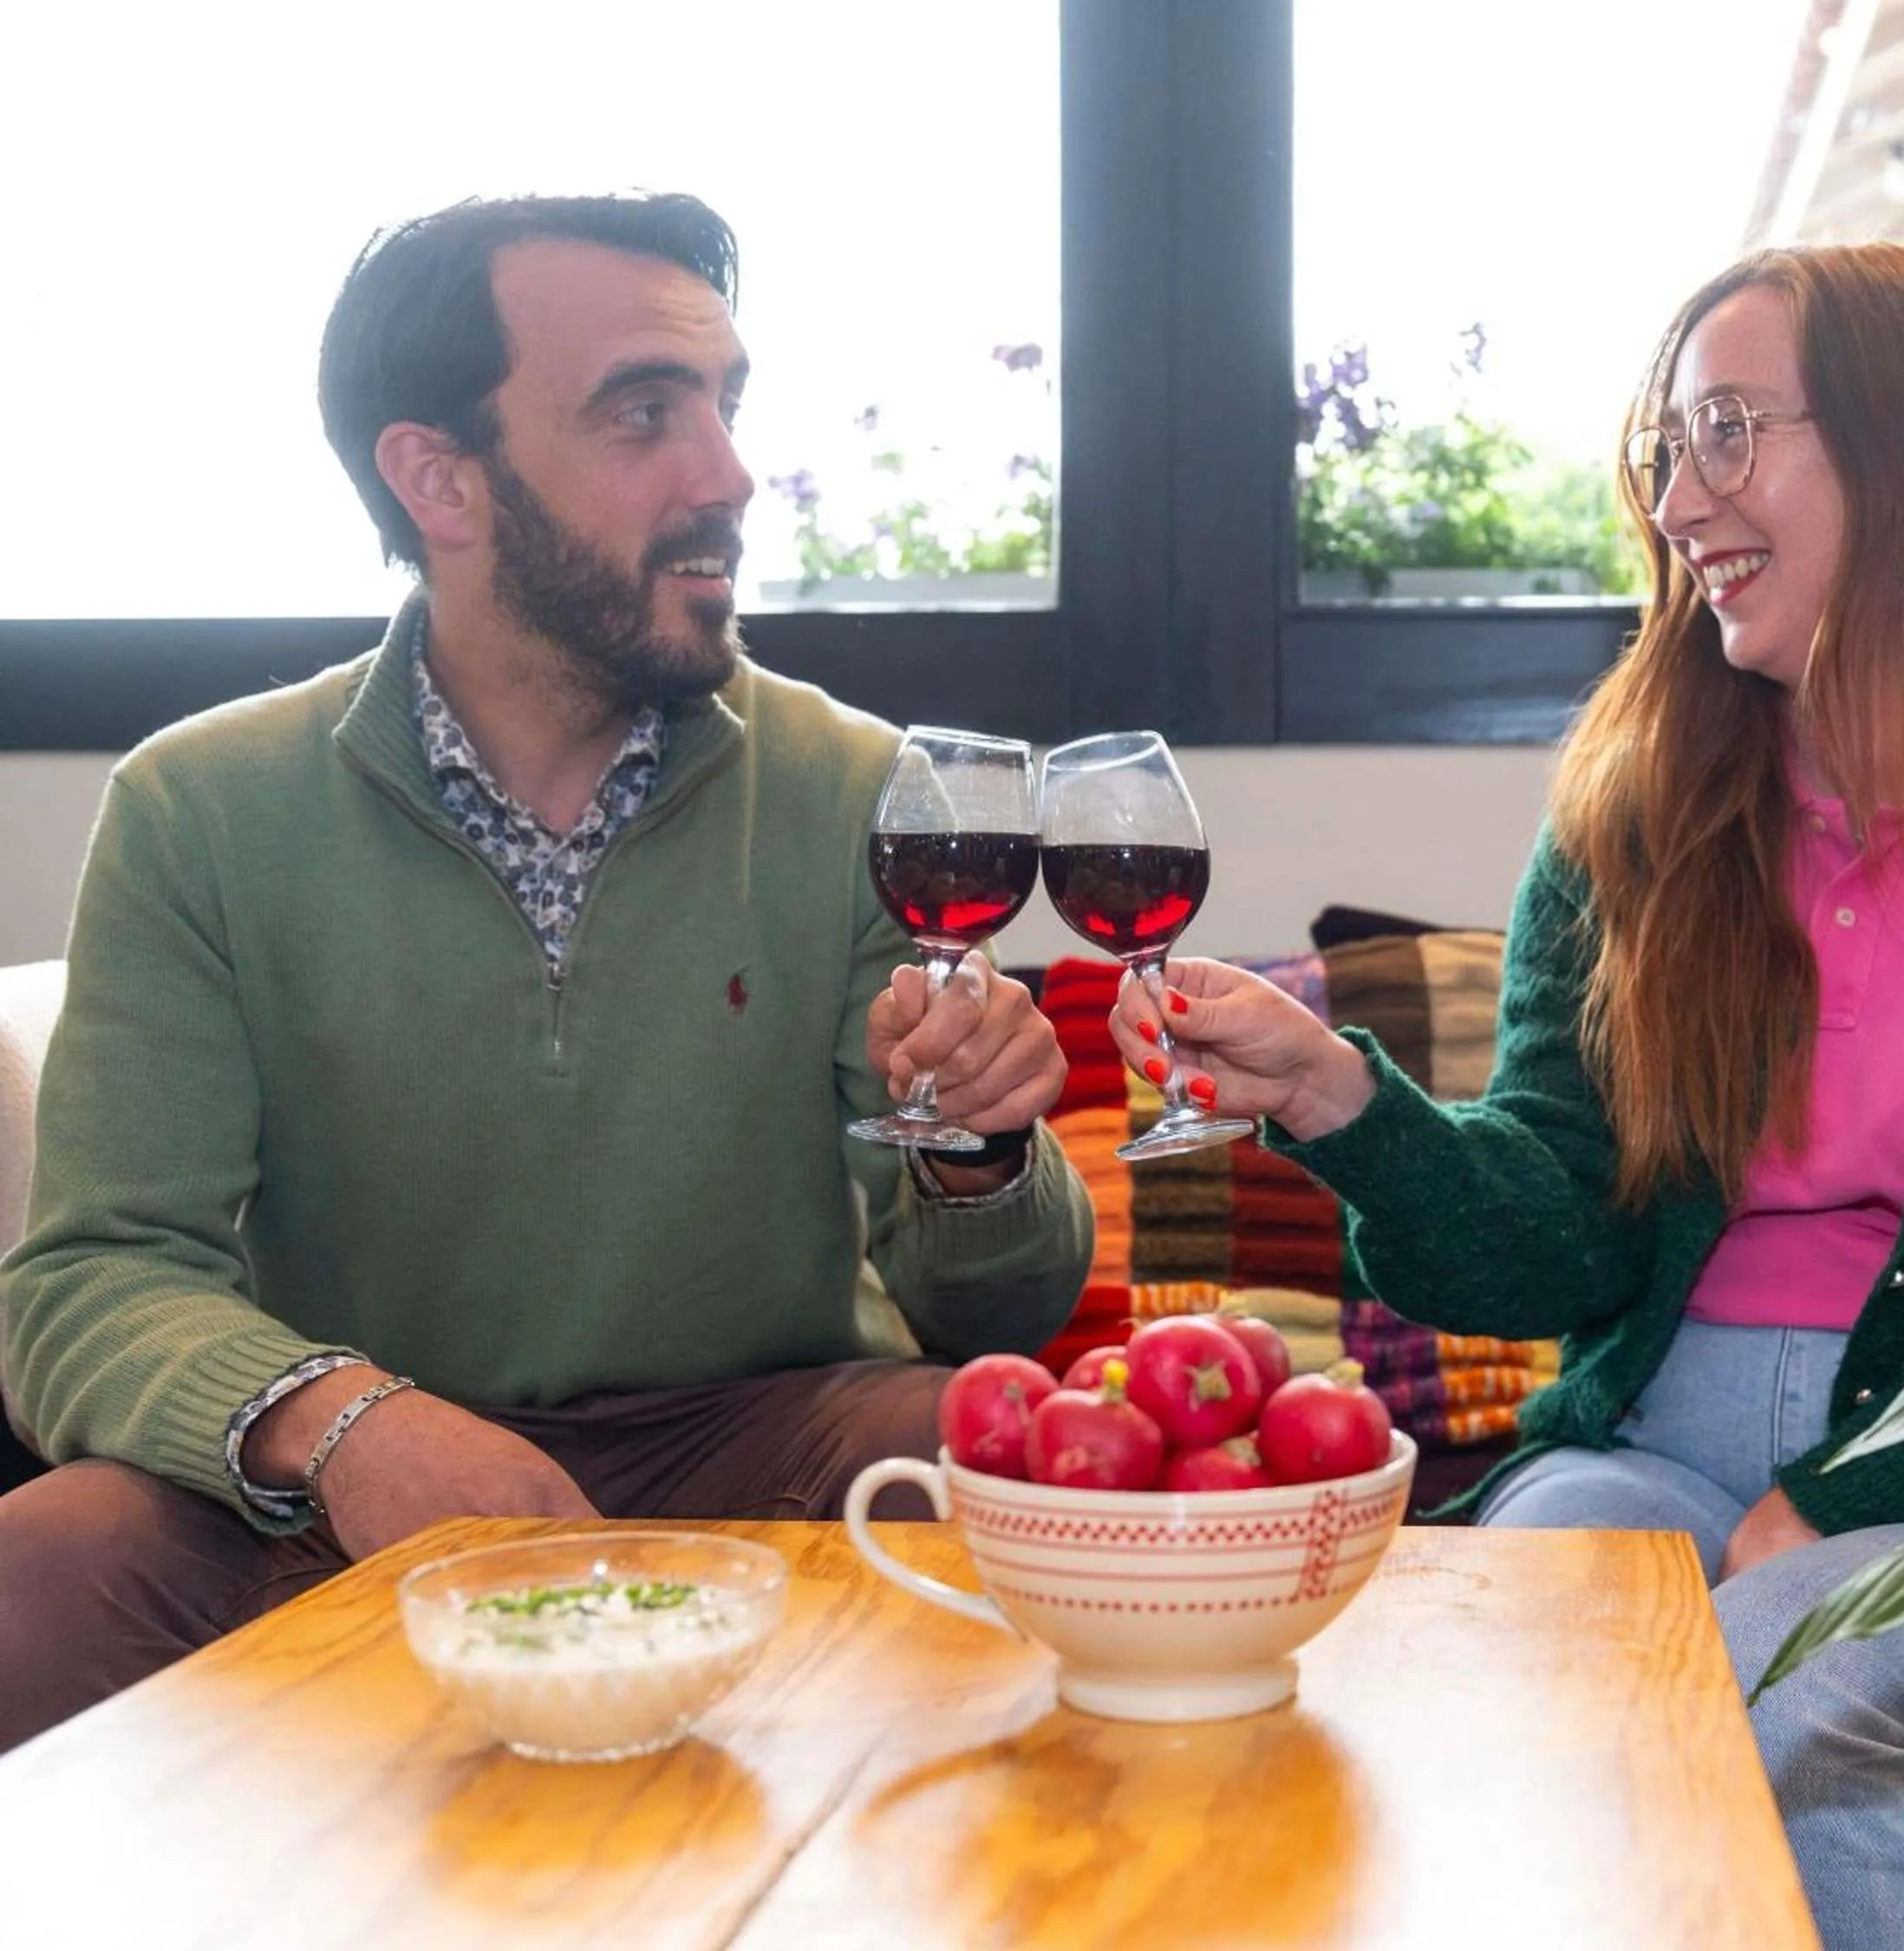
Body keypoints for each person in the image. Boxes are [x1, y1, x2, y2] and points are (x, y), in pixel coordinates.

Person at [1113, 242, 1904, 1945]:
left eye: (1731, 432)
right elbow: (1556, 1239)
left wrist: (1848, 1495)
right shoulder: (1639, 821)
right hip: (1656, 1454)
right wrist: (1342, 1108)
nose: (1679, 499)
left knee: (1785, 1709)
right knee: (1517, 1680)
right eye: (1669, 449)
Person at [0, 193, 1092, 1751]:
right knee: (36, 1570)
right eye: (647, 414)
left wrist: (985, 1158)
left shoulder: (858, 789)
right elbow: (87, 1279)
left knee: (1010, 1454)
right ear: (439, 476)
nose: (725, 474)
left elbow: (999, 1305)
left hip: (751, 1441)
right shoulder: (200, 807)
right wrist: (349, 1424)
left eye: (725, 409)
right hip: (338, 1470)